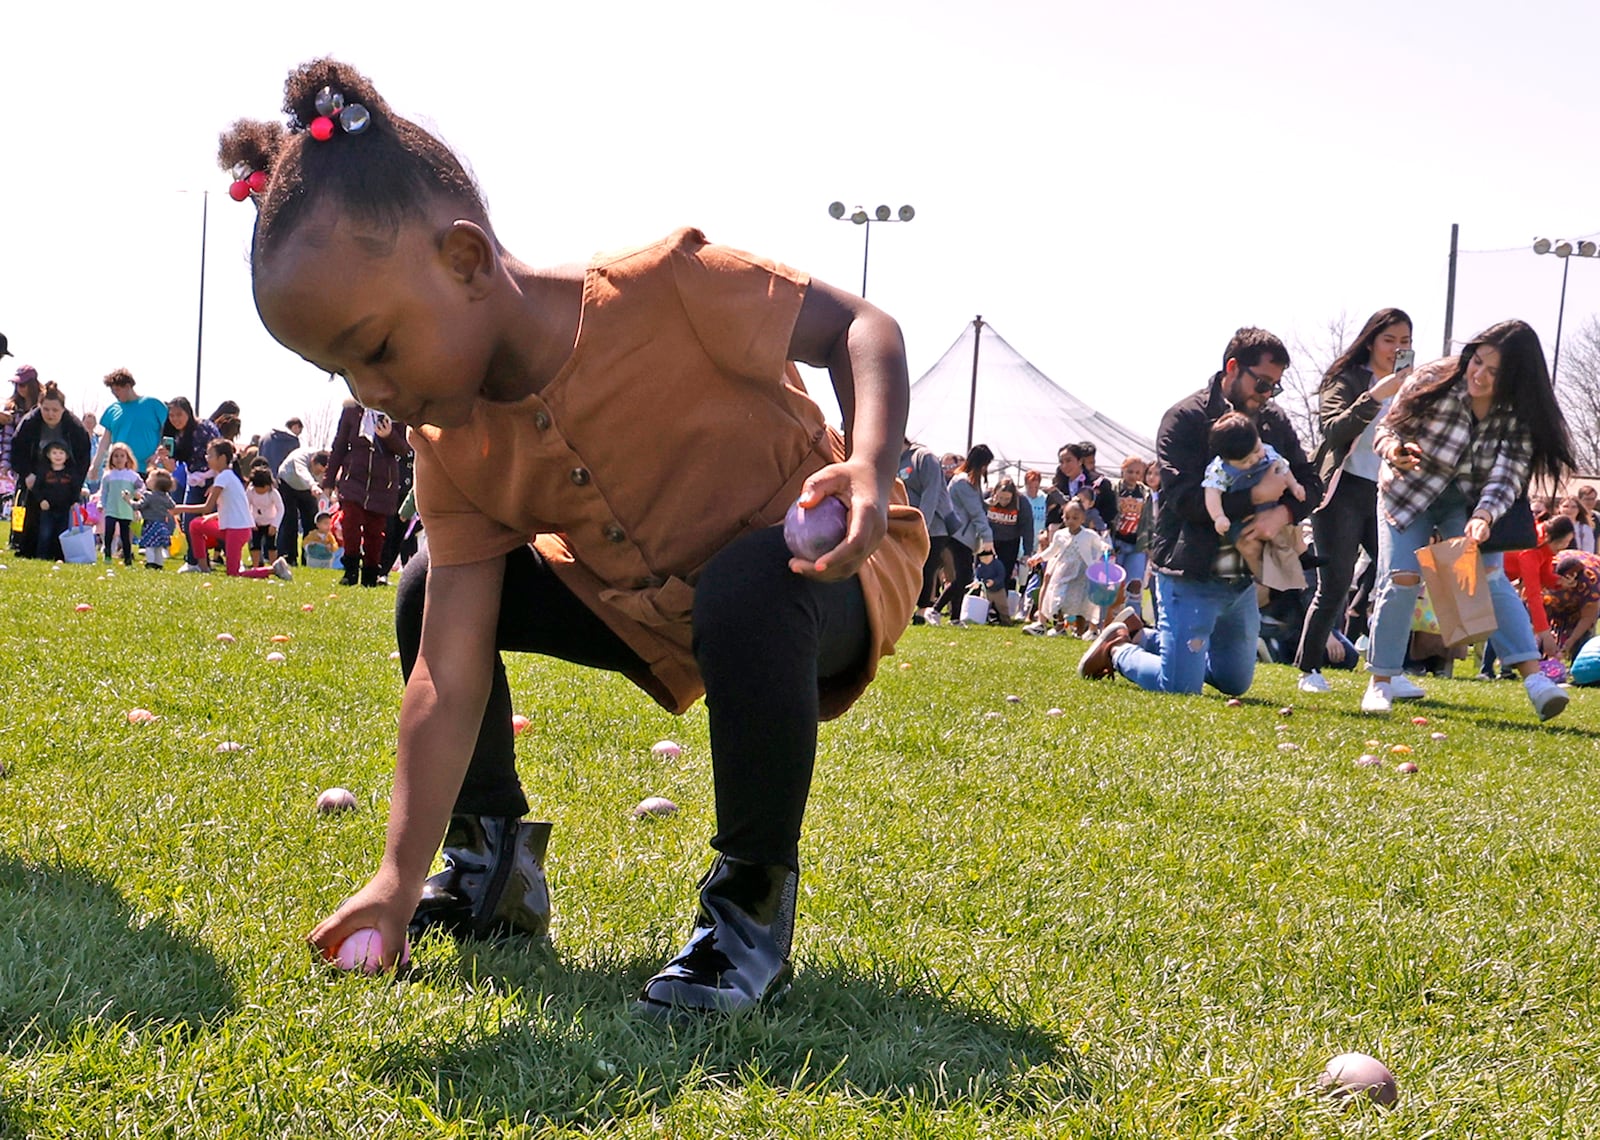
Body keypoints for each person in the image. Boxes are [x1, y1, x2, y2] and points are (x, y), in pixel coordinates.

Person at [221, 59, 927, 1017]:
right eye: (340, 373)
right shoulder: (451, 441)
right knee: (432, 588)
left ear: (466, 262)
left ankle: (749, 911)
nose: (372, 393)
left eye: (376, 348)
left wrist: (871, 473)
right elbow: (446, 674)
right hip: (648, 603)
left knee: (750, 582)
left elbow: (864, 328)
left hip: (819, 570)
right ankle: (492, 869)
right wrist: (395, 871)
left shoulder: (669, 290)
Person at [1080, 327, 1317, 692]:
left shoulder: (1273, 420)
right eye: (1263, 383)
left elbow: (1310, 482)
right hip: (1187, 573)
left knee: (1233, 683)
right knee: (1180, 688)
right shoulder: (1184, 418)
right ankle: (1117, 651)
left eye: (1275, 386)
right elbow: (1184, 499)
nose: (1269, 394)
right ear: (1233, 367)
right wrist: (1255, 496)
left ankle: (1147, 638)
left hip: (1240, 579)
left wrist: (1283, 513)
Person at [1362, 320, 1575, 719]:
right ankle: (1381, 682)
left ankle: (1535, 680)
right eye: (1477, 361)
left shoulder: (1518, 414)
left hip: (1466, 502)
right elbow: (1388, 428)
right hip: (1407, 491)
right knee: (1402, 576)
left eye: (1494, 372)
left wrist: (1483, 516)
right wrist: (1394, 450)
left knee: (1486, 575)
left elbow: (1508, 475)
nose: (1479, 375)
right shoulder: (1432, 379)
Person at [1294, 309, 1414, 694]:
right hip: (1342, 489)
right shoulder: (1345, 378)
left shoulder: (1415, 386)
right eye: (1390, 340)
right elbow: (1333, 429)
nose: (1397, 349)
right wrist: (1377, 394)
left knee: (1399, 576)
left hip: (1389, 491)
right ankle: (1309, 669)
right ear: (1371, 341)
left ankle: (1386, 669)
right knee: (1334, 583)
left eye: (1405, 342)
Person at [1202, 411, 1307, 583]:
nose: (1255, 459)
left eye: (1256, 450)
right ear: (1226, 460)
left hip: (1272, 507)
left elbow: (1282, 468)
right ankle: (1266, 579)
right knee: (1249, 547)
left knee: (1291, 533)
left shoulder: (1267, 451)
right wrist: (1218, 516)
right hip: (1243, 517)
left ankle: (1301, 563)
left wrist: (1294, 486)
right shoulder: (1219, 470)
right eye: (1245, 462)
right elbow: (1212, 492)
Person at [172, 439, 293, 580]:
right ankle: (203, 568)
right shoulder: (227, 476)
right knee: (196, 525)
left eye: (210, 455)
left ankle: (273, 569)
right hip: (229, 528)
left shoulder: (224, 477)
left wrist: (179, 508)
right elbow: (232, 507)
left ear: (222, 458)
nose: (207, 458)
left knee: (234, 573)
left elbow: (207, 507)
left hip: (237, 530)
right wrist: (211, 517)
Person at [326, 401, 412, 586]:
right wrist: (329, 480)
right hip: (353, 477)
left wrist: (389, 436)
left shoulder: (395, 410)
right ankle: (350, 571)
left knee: (375, 531)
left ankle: (371, 575)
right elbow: (339, 445)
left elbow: (404, 449)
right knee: (350, 523)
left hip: (383, 481)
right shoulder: (351, 410)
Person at [8, 382, 92, 560]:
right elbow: (17, 452)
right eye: (46, 409)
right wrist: (27, 474)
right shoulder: (29, 422)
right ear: (39, 406)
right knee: (32, 517)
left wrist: (75, 488)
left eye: (55, 410)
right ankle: (28, 550)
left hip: (64, 478)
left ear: (63, 409)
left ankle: (59, 552)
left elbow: (83, 459)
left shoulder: (75, 428)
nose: (50, 414)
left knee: (60, 517)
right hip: (35, 475)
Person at [931, 444, 995, 625]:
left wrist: (988, 503)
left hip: (962, 536)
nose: (985, 469)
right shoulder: (963, 482)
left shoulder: (967, 481)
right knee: (964, 577)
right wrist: (987, 537)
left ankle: (954, 618)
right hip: (959, 536)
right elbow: (975, 512)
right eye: (985, 465)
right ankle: (936, 610)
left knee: (961, 577)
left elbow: (976, 506)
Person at [898, 439, 954, 624]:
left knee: (927, 569)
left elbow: (931, 494)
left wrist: (921, 525)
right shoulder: (894, 459)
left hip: (933, 528)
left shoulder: (924, 457)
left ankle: (922, 612)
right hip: (906, 526)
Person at [93, 369, 168, 474]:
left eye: (118, 390)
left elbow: (168, 433)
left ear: (128, 386)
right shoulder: (112, 410)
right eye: (113, 391)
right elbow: (105, 442)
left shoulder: (153, 404)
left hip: (150, 469)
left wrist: (157, 454)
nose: (115, 394)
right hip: (121, 471)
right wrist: (95, 466)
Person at [1108, 456, 1155, 618]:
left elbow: (1149, 520)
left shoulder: (1145, 493)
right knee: (1111, 583)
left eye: (1137, 472)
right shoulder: (1114, 489)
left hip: (1137, 544)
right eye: (1130, 471)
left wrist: (1150, 545)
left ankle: (1133, 620)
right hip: (1116, 542)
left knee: (1135, 583)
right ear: (1122, 470)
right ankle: (1105, 619)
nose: (1133, 476)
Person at [275, 445, 331, 566]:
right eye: (318, 471)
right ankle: (289, 557)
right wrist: (313, 485)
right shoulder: (300, 457)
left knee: (312, 521)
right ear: (312, 462)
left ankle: (309, 558)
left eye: (322, 472)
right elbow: (302, 472)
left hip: (307, 489)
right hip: (287, 483)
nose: (319, 474)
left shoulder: (326, 460)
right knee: (290, 520)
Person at [1543, 549, 1600, 662]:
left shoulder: (1591, 582)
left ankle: (1581, 660)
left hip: (1585, 599)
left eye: (1570, 584)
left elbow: (1587, 617)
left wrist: (1571, 641)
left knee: (1581, 639)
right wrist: (1546, 635)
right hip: (1553, 598)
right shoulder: (1546, 570)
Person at [31, 442, 82, 560]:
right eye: (54, 453)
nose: (58, 456)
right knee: (45, 533)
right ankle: (42, 556)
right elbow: (37, 488)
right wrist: (41, 500)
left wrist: (75, 501)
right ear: (48, 455)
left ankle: (60, 556)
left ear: (67, 456)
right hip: (48, 508)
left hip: (65, 509)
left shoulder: (70, 473)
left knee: (62, 533)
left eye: (61, 453)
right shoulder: (44, 471)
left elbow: (75, 488)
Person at [984, 476, 1034, 590]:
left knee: (1003, 575)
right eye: (1000, 497)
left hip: (1009, 543)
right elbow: (977, 514)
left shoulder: (1021, 502)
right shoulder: (987, 496)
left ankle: (999, 605)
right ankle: (981, 604)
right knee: (984, 574)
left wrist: (1027, 552)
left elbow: (1027, 528)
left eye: (1007, 499)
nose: (1003, 502)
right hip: (988, 541)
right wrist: (987, 504)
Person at [98, 443, 144, 566]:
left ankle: (127, 558)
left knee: (125, 536)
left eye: (122, 456)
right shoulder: (108, 475)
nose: (119, 459)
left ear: (127, 458)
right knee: (109, 533)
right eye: (116, 456)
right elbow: (104, 491)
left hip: (126, 510)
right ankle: (107, 555)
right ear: (111, 458)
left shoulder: (132, 475)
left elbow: (141, 486)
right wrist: (101, 503)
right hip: (111, 509)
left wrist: (137, 493)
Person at [126, 469, 178, 569]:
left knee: (149, 545)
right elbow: (172, 506)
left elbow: (137, 506)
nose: (147, 479)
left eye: (150, 478)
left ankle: (150, 562)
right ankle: (159, 563)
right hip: (162, 525)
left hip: (150, 524)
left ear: (155, 483)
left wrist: (129, 500)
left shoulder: (148, 495)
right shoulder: (166, 496)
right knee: (158, 546)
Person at [245, 466, 285, 566]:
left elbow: (280, 509)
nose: (260, 491)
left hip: (270, 523)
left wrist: (275, 525)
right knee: (255, 545)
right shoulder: (250, 491)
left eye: (262, 488)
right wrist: (251, 521)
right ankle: (255, 566)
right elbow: (246, 506)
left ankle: (274, 566)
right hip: (256, 523)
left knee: (271, 546)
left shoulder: (273, 493)